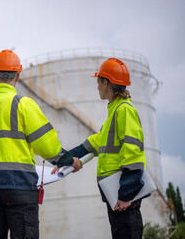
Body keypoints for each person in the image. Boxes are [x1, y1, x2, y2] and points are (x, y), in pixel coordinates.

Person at [0, 49, 83, 239]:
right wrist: (70, 161)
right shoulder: (23, 104)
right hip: (19, 189)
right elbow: (47, 146)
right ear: (18, 75)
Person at [54, 58, 147, 239]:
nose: (97, 86)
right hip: (117, 195)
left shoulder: (124, 110)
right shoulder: (115, 110)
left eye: (98, 81)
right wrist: (66, 158)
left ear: (106, 83)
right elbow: (96, 142)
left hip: (123, 198)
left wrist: (125, 195)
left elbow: (133, 154)